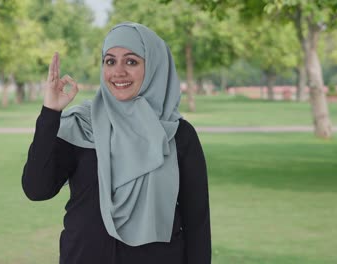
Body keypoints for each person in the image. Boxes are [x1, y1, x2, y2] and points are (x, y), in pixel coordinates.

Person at [22, 22, 211, 264]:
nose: (118, 72)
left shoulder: (178, 135)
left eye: (131, 61)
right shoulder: (81, 124)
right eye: (110, 61)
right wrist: (50, 113)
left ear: (153, 66)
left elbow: (197, 222)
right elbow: (36, 190)